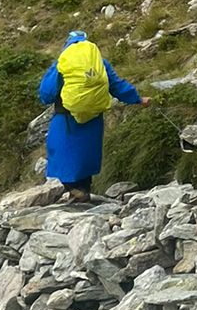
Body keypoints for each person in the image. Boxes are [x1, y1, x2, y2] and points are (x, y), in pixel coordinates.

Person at [38, 31, 145, 204]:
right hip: (93, 119)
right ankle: (83, 192)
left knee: (60, 156)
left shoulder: (63, 63)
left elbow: (46, 93)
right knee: (85, 157)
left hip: (67, 118)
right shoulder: (99, 63)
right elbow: (117, 85)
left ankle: (74, 191)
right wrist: (138, 99)